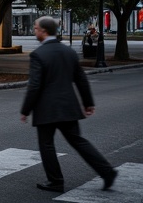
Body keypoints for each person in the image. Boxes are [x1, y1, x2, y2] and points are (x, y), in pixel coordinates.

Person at [20, 15, 117, 193]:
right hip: (68, 106)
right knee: (78, 141)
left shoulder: (38, 55)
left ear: (43, 31)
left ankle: (56, 181)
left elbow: (34, 85)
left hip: (47, 109)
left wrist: (25, 110)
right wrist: (88, 102)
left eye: (35, 28)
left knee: (46, 144)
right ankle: (107, 171)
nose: (34, 31)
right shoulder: (69, 52)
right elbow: (81, 79)